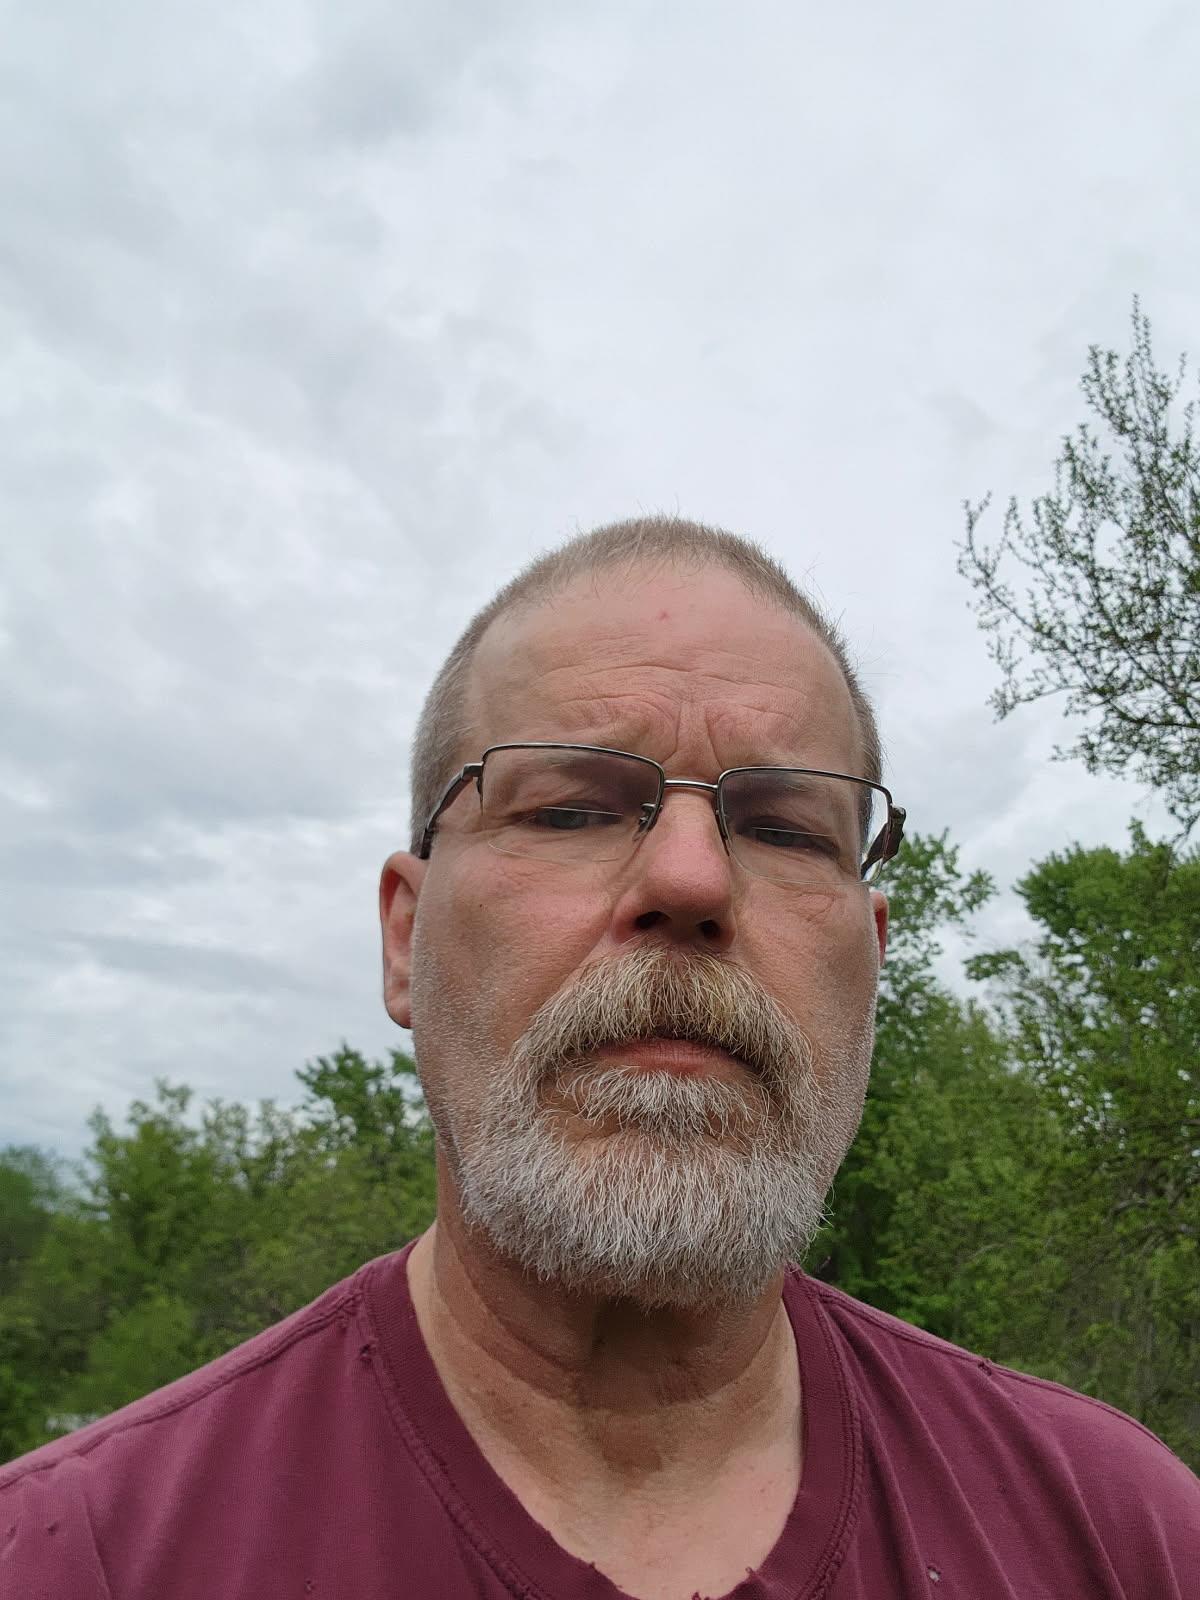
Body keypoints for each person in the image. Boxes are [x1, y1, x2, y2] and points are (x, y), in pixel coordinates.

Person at [2, 517, 1196, 1599]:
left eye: (784, 828)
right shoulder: (80, 1557)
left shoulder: (1130, 1540)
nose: (689, 881)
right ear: (405, 938)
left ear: (871, 962)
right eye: (572, 809)